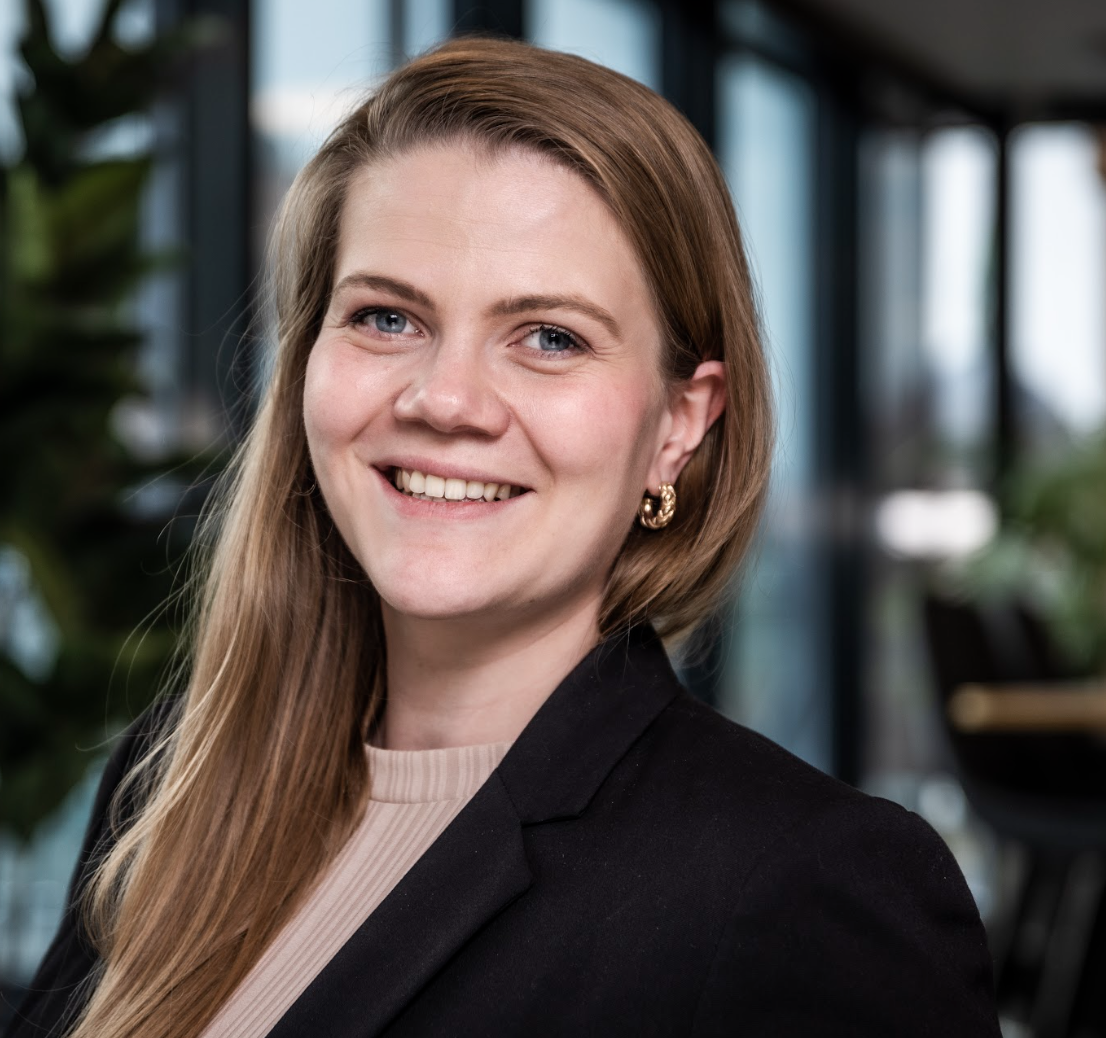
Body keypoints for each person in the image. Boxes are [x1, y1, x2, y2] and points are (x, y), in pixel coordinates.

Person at [5, 36, 1000, 1038]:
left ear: (678, 425)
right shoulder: (174, 776)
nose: (444, 400)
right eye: (386, 318)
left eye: (550, 337)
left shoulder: (804, 887)